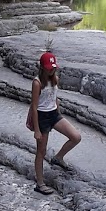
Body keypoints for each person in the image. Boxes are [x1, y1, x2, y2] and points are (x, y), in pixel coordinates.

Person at [30, 51, 81, 194]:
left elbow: (54, 97)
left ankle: (58, 158)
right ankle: (40, 184)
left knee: (76, 137)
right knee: (41, 151)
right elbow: (34, 106)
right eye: (49, 67)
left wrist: (58, 111)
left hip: (53, 114)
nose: (52, 69)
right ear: (42, 67)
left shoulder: (55, 79)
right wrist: (37, 130)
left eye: (53, 67)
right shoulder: (37, 82)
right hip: (42, 117)